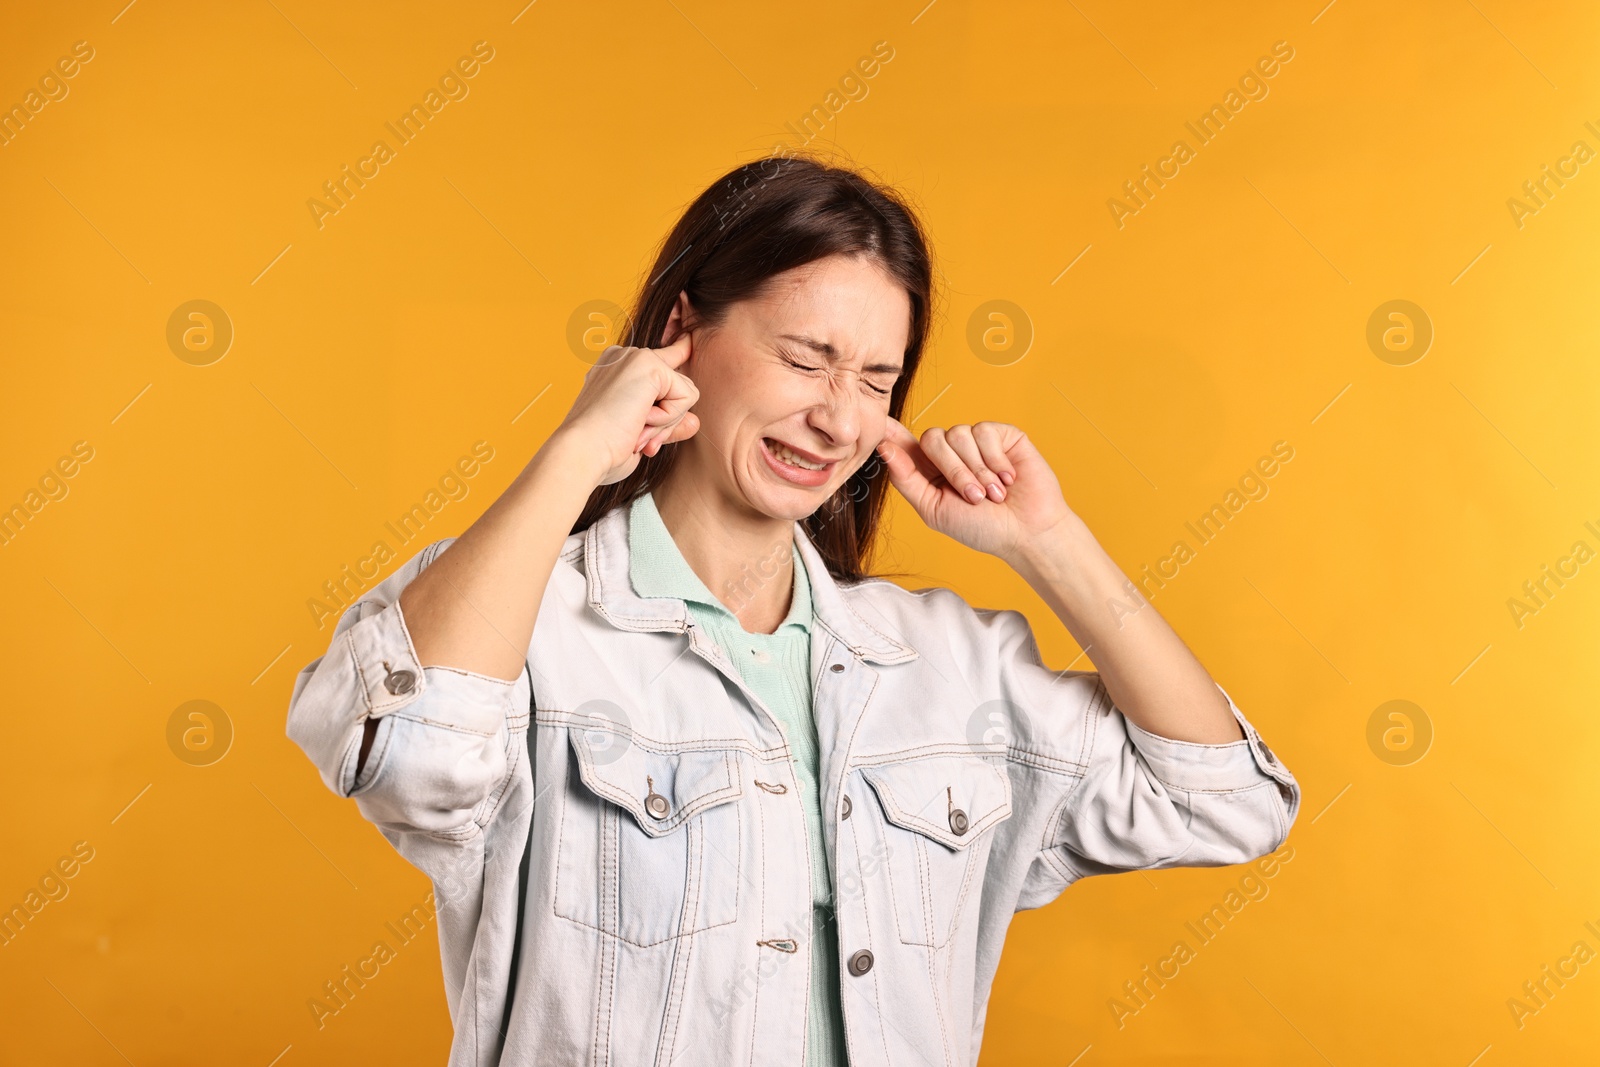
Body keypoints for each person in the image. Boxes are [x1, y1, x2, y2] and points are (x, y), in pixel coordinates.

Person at [286, 155, 1300, 1067]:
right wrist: (575, 455)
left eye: (876, 378)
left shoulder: (944, 664)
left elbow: (1225, 800)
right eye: (806, 358)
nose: (840, 416)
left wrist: (1048, 542)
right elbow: (405, 753)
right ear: (681, 331)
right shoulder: (528, 625)